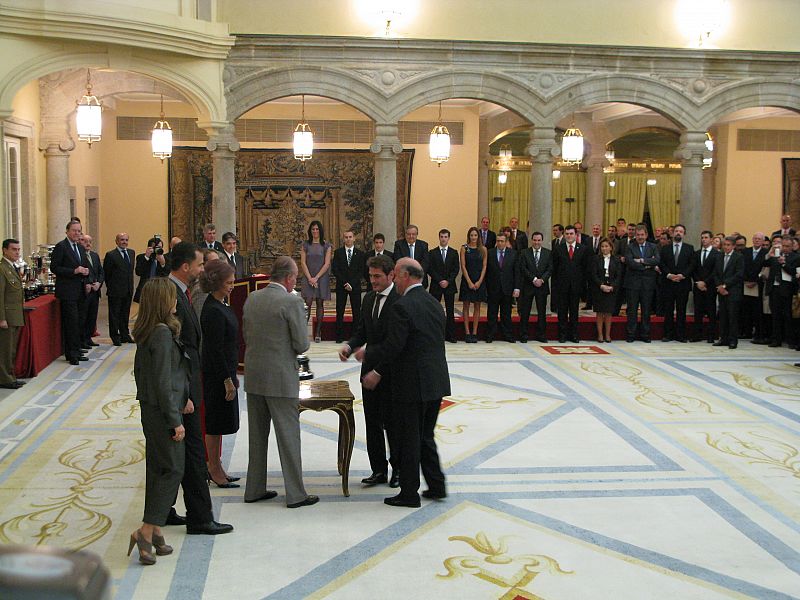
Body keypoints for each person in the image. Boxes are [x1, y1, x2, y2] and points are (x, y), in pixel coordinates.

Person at [362, 258, 449, 508]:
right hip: (436, 382)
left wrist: (372, 361)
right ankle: (436, 485)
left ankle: (409, 493)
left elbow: (394, 346)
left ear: (406, 276)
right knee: (425, 437)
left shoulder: (402, 306)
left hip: (412, 385)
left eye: (397, 276)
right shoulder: (434, 303)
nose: (395, 280)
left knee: (409, 439)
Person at [167, 242, 233, 535]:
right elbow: (174, 347)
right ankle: (200, 518)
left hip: (188, 383)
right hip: (183, 387)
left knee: (178, 455)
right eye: (198, 265)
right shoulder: (171, 294)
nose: (201, 269)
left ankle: (167, 510)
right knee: (191, 455)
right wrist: (184, 393)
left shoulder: (184, 294)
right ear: (185, 267)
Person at [243, 256, 318, 508]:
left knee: (257, 437)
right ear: (288, 278)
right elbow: (301, 344)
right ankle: (296, 494)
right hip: (280, 377)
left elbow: (246, 334)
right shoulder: (291, 301)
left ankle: (254, 489)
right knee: (288, 437)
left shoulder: (252, 298)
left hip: (254, 375)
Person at [129, 277, 190, 566]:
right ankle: (145, 530)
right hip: (163, 411)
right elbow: (164, 382)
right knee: (173, 469)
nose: (176, 301)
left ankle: (154, 532)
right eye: (172, 297)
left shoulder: (148, 331)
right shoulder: (162, 333)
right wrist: (175, 419)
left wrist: (183, 398)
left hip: (150, 410)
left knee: (157, 469)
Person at [339, 254, 400, 489]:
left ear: (391, 275)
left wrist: (378, 368)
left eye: (377, 276)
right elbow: (362, 331)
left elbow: (395, 344)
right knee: (372, 422)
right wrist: (349, 345)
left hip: (391, 373)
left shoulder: (399, 300)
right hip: (368, 374)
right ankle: (378, 470)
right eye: (370, 276)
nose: (372, 281)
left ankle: (398, 470)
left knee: (393, 425)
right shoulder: (368, 299)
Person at [199, 259, 240, 488]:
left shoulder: (221, 303)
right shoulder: (213, 310)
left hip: (226, 371)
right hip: (217, 375)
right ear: (216, 283)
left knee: (222, 422)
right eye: (229, 283)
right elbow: (214, 350)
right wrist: (227, 380)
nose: (232, 286)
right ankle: (213, 468)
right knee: (215, 424)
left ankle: (218, 465)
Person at [51, 220, 90, 364]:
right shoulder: (61, 247)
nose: (77, 233)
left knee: (79, 321)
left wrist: (85, 273)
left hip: (79, 290)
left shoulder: (79, 248)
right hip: (67, 291)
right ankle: (71, 353)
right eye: (74, 231)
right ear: (67, 231)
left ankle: (77, 349)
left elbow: (84, 264)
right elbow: (55, 268)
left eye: (79, 231)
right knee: (71, 323)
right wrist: (74, 271)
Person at [551, 225, 590, 343]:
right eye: (567, 234)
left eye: (571, 234)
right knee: (562, 312)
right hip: (562, 286)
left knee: (574, 312)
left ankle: (574, 335)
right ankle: (562, 335)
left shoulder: (583, 249)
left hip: (576, 286)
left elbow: (585, 269)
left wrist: (583, 286)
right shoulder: (559, 249)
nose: (569, 236)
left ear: (575, 235)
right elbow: (555, 268)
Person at [624, 225, 660, 343]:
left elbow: (657, 260)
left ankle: (645, 334)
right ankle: (631, 334)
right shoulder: (630, 247)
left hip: (647, 284)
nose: (640, 237)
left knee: (646, 310)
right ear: (635, 235)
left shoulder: (653, 246)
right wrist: (648, 265)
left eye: (642, 235)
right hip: (632, 284)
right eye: (638, 235)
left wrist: (641, 260)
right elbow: (630, 263)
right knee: (632, 310)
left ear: (646, 235)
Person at [660, 224, 694, 342]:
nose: (678, 233)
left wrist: (682, 275)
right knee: (668, 310)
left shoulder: (689, 248)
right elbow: (661, 263)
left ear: (684, 234)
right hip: (668, 283)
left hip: (682, 283)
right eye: (676, 231)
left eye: (681, 231)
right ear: (672, 233)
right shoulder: (665, 248)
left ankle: (680, 335)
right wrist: (669, 275)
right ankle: (668, 334)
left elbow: (691, 265)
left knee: (681, 310)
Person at [300, 221, 332, 342]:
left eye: (317, 229)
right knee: (306, 304)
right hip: (308, 277)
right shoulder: (305, 245)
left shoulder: (326, 245)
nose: (315, 231)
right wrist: (310, 278)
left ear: (320, 230)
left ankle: (318, 331)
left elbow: (327, 263)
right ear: (310, 231)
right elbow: (302, 262)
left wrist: (316, 278)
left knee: (320, 303)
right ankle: (302, 332)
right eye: (313, 229)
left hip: (321, 278)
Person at [517, 231, 551, 343]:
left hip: (542, 286)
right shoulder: (524, 252)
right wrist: (534, 279)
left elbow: (550, 268)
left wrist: (542, 280)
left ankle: (541, 334)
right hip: (528, 285)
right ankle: (523, 334)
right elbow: (523, 268)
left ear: (542, 241)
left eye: (539, 240)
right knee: (525, 311)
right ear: (532, 240)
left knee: (542, 312)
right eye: (535, 240)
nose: (536, 242)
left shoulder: (548, 253)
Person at [484, 232, 519, 343]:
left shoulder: (513, 254)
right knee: (492, 313)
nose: (499, 243)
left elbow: (516, 272)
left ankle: (507, 335)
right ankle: (490, 335)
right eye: (498, 241)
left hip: (507, 288)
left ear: (506, 242)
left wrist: (516, 288)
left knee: (506, 314)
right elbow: (486, 272)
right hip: (493, 288)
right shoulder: (490, 253)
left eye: (502, 241)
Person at [331, 230, 365, 344]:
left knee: (356, 312)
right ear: (343, 239)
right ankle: (339, 336)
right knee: (339, 310)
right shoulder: (338, 252)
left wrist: (352, 284)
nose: (348, 239)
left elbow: (361, 271)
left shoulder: (360, 254)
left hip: (355, 287)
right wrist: (345, 283)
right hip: (341, 286)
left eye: (350, 237)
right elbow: (335, 269)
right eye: (346, 237)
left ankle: (355, 336)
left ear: (354, 238)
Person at [103, 232, 135, 347]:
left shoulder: (131, 253)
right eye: (122, 240)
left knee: (125, 313)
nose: (124, 242)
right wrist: (112, 287)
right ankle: (115, 336)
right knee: (114, 315)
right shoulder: (111, 255)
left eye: (126, 240)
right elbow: (107, 274)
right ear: (116, 241)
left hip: (128, 289)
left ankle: (125, 334)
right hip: (115, 290)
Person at [428, 228, 460, 343]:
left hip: (449, 286)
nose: (443, 239)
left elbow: (456, 269)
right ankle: (435, 335)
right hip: (436, 285)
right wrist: (440, 280)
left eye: (445, 237)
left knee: (450, 311)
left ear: (449, 238)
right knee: (434, 311)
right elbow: (430, 269)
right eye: (441, 237)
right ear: (439, 237)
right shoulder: (432, 252)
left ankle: (451, 335)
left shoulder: (454, 252)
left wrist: (448, 281)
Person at [0, 239, 24, 389]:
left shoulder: (12, 267)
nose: (17, 252)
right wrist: (2, 318)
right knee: (5, 349)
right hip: (7, 316)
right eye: (14, 249)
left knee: (12, 349)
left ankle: (10, 375)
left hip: (15, 315)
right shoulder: (2, 269)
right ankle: (5, 378)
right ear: (4, 250)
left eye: (18, 249)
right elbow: (0, 296)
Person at [713, 236, 745, 349]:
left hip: (733, 291)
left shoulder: (739, 257)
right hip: (721, 291)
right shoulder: (719, 256)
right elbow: (716, 273)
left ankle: (733, 340)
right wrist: (719, 286)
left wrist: (725, 285)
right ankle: (723, 338)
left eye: (728, 245)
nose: (726, 247)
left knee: (732, 317)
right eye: (724, 245)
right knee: (723, 316)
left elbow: (739, 274)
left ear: (733, 246)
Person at [766, 235, 797, 348]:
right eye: (783, 245)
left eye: (787, 246)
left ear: (792, 246)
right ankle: (776, 339)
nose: (785, 248)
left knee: (788, 316)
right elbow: (764, 264)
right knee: (775, 315)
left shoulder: (795, 257)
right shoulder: (776, 255)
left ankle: (790, 340)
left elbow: (794, 272)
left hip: (787, 289)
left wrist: (784, 264)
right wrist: (770, 253)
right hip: (774, 288)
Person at [690, 231, 721, 343]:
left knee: (711, 311)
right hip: (698, 287)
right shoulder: (696, 253)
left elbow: (715, 271)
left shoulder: (717, 254)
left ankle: (711, 335)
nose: (703, 239)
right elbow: (693, 269)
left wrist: (705, 282)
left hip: (710, 287)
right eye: (702, 237)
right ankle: (697, 334)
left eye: (706, 237)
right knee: (697, 311)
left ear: (711, 239)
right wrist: (698, 282)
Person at [459, 226, 487, 343]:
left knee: (477, 306)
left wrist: (479, 281)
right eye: (471, 235)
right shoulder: (464, 248)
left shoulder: (483, 249)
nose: (473, 237)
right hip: (467, 280)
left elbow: (484, 266)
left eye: (475, 235)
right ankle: (467, 332)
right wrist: (469, 282)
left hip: (479, 280)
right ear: (469, 236)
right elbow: (463, 266)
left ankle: (474, 333)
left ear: (478, 237)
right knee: (466, 306)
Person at [590, 238, 622, 343]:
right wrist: (601, 285)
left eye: (606, 246)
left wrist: (612, 286)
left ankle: (607, 335)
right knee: (599, 312)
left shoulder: (616, 260)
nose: (604, 248)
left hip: (611, 289)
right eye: (602, 246)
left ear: (611, 248)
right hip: (599, 288)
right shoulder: (595, 259)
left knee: (608, 312)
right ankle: (600, 335)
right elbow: (593, 274)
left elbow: (619, 275)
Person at [741, 232, 768, 343]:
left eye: (759, 239)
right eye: (755, 238)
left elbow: (764, 269)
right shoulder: (745, 251)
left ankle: (758, 334)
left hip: (758, 284)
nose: (757, 240)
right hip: (745, 284)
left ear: (762, 241)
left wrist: (755, 281)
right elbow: (742, 266)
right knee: (746, 309)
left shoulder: (765, 253)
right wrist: (746, 280)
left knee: (757, 310)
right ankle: (746, 332)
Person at [79, 234, 104, 349]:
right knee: (83, 316)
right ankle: (82, 339)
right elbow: (81, 273)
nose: (88, 244)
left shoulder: (94, 255)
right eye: (85, 241)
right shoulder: (79, 256)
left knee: (92, 316)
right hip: (85, 291)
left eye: (90, 241)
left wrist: (99, 283)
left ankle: (89, 338)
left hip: (95, 290)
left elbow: (100, 272)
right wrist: (87, 283)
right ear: (80, 242)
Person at [393, 225, 430, 289]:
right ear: (405, 234)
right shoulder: (399, 245)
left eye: (413, 234)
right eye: (409, 234)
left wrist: (416, 274)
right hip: (404, 278)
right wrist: (408, 274)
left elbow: (425, 262)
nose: (411, 236)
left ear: (417, 234)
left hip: (420, 279)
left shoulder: (423, 245)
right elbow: (398, 260)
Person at [134, 237, 169, 304]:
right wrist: (146, 257)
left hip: (160, 291)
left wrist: (163, 263)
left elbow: (167, 275)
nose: (157, 249)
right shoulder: (141, 257)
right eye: (155, 248)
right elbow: (138, 272)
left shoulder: (166, 258)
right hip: (145, 290)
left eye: (160, 247)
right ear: (149, 248)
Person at [190, 248, 220, 321]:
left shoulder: (212, 283)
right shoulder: (201, 289)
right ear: (204, 264)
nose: (218, 265)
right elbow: (199, 318)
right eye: (213, 262)